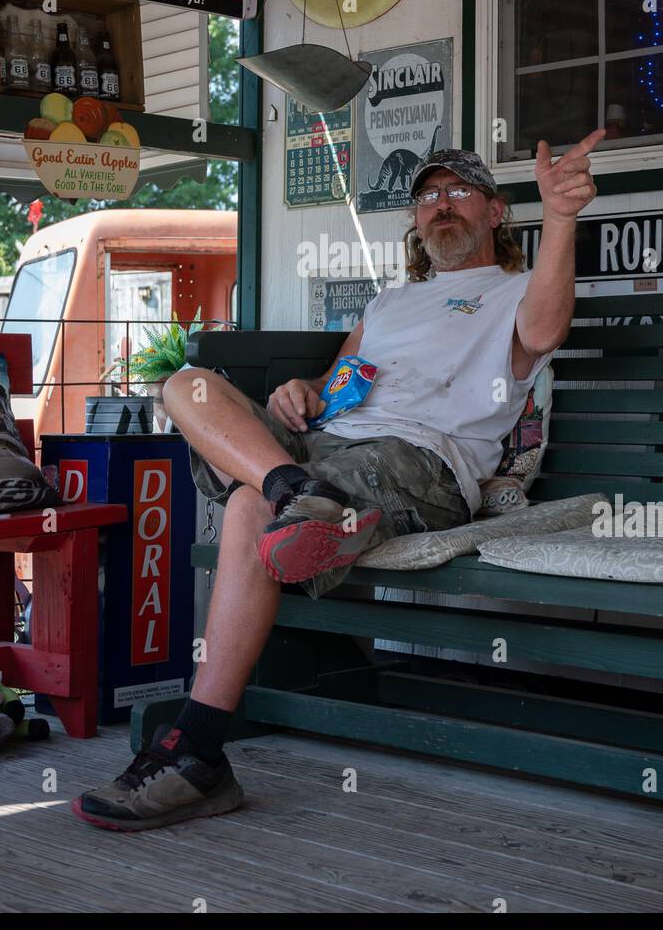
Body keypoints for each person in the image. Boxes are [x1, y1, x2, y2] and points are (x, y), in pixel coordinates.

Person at [72, 130, 605, 831]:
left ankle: (196, 749)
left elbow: (542, 333)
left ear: (496, 212)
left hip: (421, 463)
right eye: (429, 196)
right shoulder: (388, 304)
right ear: (416, 220)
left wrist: (562, 216)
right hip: (326, 448)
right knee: (187, 385)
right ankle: (295, 492)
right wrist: (301, 392)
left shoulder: (513, 294)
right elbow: (336, 389)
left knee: (244, 509)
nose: (441, 205)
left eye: (459, 192)